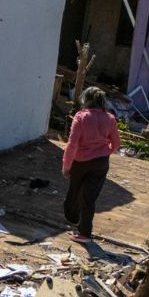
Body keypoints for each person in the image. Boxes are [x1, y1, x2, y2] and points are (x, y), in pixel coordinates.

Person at [62, 86, 121, 243]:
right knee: (89, 198)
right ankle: (84, 233)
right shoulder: (110, 118)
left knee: (74, 191)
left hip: (80, 162)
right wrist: (105, 151)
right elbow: (116, 144)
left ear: (86, 100)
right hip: (101, 163)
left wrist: (66, 166)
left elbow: (72, 145)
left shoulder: (81, 117)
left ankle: (72, 217)